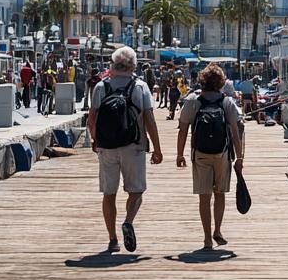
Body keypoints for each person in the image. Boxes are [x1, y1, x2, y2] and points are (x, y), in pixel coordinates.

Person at [87, 46, 162, 253]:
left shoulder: (101, 87)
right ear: (134, 65)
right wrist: (157, 148)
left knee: (109, 193)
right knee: (136, 191)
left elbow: (91, 118)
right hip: (134, 146)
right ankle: (128, 221)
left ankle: (112, 239)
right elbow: (149, 119)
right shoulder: (140, 87)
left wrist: (96, 139)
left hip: (107, 148)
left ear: (113, 64)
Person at [177, 64, 244, 251]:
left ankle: (207, 238)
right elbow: (235, 132)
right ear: (221, 82)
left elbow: (182, 130)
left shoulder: (192, 101)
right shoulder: (227, 102)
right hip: (222, 153)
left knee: (204, 197)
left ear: (202, 80)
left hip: (200, 154)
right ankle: (218, 230)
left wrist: (180, 154)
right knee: (220, 193)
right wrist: (240, 157)